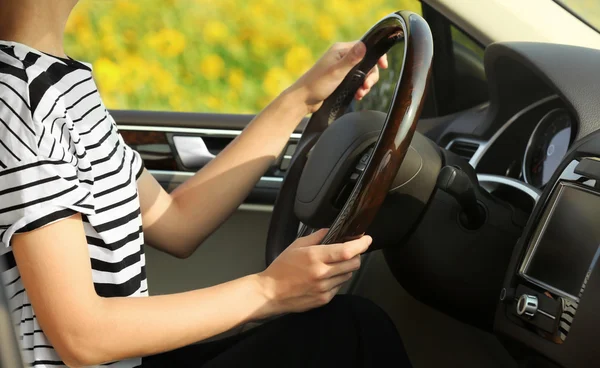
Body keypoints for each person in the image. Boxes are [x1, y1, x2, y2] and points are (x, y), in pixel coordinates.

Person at [0, 1, 412, 367]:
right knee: (353, 332)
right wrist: (270, 290)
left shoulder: (57, 82)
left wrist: (302, 97)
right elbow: (82, 337)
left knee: (348, 328)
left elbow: (176, 222)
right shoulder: (19, 100)